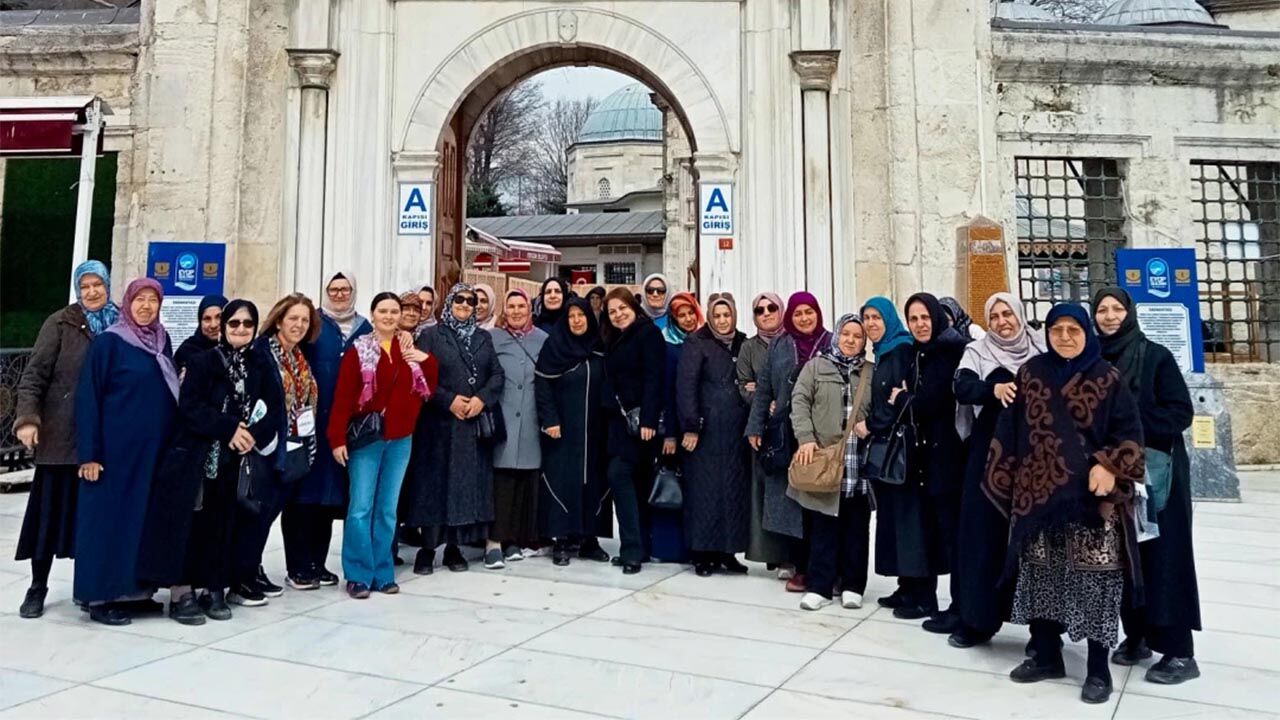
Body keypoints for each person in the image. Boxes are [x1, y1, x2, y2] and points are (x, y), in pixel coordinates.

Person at [985, 302, 1145, 705]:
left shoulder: (1107, 378)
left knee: (1095, 584)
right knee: (1041, 578)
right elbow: (1011, 431)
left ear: (1086, 332)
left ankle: (1097, 668)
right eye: (1057, 329)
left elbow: (1130, 437)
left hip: (1091, 504)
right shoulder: (1031, 373)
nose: (1065, 337)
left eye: (1074, 329)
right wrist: (1008, 481)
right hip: (1037, 500)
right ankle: (1046, 655)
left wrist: (1109, 466)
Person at [138, 300, 283, 624]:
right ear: (224, 327)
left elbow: (274, 409)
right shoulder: (203, 361)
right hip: (198, 459)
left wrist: (250, 435)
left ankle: (214, 587)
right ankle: (181, 592)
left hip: (237, 461)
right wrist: (228, 428)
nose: (241, 330)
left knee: (223, 524)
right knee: (190, 524)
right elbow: (190, 407)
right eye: (234, 324)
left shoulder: (261, 363)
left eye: (247, 324)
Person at [1094, 287, 1201, 685]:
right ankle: (1137, 635)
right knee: (1125, 557)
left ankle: (1179, 651)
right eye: (1102, 309)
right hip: (1116, 476)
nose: (1108, 316)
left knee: (1164, 558)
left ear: (1130, 312)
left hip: (1158, 477)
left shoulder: (1155, 355)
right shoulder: (1096, 359)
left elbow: (1180, 413)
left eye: (1116, 308)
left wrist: (1131, 422)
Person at [12, 260, 119, 619]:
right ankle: (37, 586)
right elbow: (34, 375)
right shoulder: (60, 322)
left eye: (97, 285)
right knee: (47, 520)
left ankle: (89, 588)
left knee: (90, 521)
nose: (92, 292)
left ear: (107, 285)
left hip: (101, 442)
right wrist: (28, 420)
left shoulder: (120, 323)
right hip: (62, 440)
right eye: (85, 286)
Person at [73, 278, 179, 625]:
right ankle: (100, 596)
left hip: (151, 454)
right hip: (113, 455)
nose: (146, 306)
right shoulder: (110, 343)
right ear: (128, 303)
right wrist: (89, 454)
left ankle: (134, 591)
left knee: (141, 521)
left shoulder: (162, 342)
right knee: (107, 523)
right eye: (140, 300)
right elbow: (89, 398)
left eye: (153, 300)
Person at [947, 292, 1046, 648]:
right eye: (995, 316)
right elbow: (962, 386)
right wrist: (994, 388)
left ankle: (1043, 633)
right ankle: (978, 621)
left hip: (1037, 459)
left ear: (1020, 314)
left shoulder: (1042, 348)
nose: (1003, 321)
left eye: (1008, 314)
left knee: (1038, 543)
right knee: (982, 539)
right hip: (989, 460)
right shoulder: (978, 351)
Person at [328, 292, 437, 598]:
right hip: (368, 439)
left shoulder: (408, 349)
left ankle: (382, 571)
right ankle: (359, 574)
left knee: (387, 509)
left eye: (394, 311)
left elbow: (429, 383)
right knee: (361, 507)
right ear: (373, 315)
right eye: (383, 311)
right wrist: (336, 438)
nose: (389, 316)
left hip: (401, 439)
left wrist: (423, 358)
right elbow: (344, 396)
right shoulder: (359, 350)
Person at [278, 273, 371, 595]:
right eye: (334, 289)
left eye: (345, 289)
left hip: (347, 428)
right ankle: (298, 565)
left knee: (331, 500)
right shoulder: (313, 324)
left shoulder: (365, 327)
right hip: (309, 426)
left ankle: (318, 562)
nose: (340, 294)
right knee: (303, 495)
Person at [879, 293, 968, 623]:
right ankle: (923, 596)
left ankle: (957, 608)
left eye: (925, 318)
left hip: (948, 458)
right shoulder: (920, 353)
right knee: (928, 529)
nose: (919, 324)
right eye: (913, 319)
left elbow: (930, 401)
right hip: (925, 457)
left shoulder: (951, 353)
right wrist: (909, 399)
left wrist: (903, 397)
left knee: (952, 537)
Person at [405, 283, 505, 573]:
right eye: (458, 299)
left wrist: (480, 400)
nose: (464, 304)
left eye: (470, 301)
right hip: (438, 425)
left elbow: (497, 375)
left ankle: (453, 548)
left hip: (470, 427)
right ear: (448, 302)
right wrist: (448, 401)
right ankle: (427, 549)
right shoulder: (431, 336)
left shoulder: (483, 338)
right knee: (433, 489)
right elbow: (419, 377)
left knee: (463, 489)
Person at [745, 292, 831, 591]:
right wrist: (755, 427)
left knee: (821, 502)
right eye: (798, 314)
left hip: (823, 436)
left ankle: (827, 569)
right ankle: (800, 566)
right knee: (793, 502)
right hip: (787, 434)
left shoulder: (831, 343)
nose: (804, 318)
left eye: (809, 312)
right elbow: (765, 388)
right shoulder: (781, 345)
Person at [791, 313, 876, 611]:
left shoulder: (870, 372)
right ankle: (820, 586)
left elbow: (879, 411)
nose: (851, 340)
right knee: (823, 526)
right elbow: (799, 402)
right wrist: (805, 438)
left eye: (858, 336)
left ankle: (853, 585)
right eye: (846, 334)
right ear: (837, 336)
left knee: (856, 526)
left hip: (858, 462)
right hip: (826, 460)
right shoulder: (816, 367)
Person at [676, 292, 751, 576]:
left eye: (727, 315)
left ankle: (727, 551)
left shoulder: (743, 342)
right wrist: (691, 426)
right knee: (704, 492)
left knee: (732, 491)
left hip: (735, 432)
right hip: (706, 433)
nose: (722, 321)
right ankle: (702, 553)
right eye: (717, 315)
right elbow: (686, 387)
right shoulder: (697, 343)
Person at [535, 296, 613, 566]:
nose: (577, 321)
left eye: (581, 315)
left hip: (596, 429)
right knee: (562, 481)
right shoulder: (554, 348)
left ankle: (589, 539)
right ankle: (562, 539)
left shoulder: (600, 347)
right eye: (571, 316)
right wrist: (550, 420)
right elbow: (543, 387)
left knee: (593, 481)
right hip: (562, 429)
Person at [257, 294, 323, 590]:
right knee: (259, 513)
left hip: (295, 446)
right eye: (293, 318)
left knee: (274, 511)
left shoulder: (298, 355)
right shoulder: (262, 352)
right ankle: (247, 571)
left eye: (304, 320)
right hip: (268, 447)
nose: (298, 325)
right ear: (279, 320)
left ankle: (253, 569)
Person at [601, 288, 666, 574]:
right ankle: (640, 546)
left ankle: (631, 551)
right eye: (612, 311)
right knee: (634, 484)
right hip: (620, 423)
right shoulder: (616, 338)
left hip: (642, 423)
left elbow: (656, 377)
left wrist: (650, 420)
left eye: (621, 308)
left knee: (621, 475)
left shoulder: (647, 333)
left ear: (633, 306)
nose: (618, 315)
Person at [860, 296, 917, 610]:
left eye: (876, 318)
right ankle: (905, 586)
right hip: (887, 448)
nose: (870, 324)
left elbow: (894, 403)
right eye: (867, 318)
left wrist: (869, 424)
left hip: (899, 448)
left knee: (906, 520)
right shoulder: (883, 353)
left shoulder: (899, 350)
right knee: (893, 518)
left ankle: (916, 591)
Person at [487, 289, 549, 568]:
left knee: (525, 481)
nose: (515, 311)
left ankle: (513, 539)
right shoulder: (493, 337)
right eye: (510, 306)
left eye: (520, 306)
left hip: (532, 419)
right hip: (503, 416)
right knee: (501, 480)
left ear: (529, 309)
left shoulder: (543, 339)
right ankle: (493, 542)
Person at [736, 292, 791, 569]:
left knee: (789, 492)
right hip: (762, 428)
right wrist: (763, 401)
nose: (766, 313)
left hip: (791, 427)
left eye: (772, 308)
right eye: (760, 310)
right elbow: (743, 384)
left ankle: (792, 555)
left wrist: (773, 398)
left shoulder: (792, 342)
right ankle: (771, 554)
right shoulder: (749, 347)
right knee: (764, 493)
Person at [654, 292, 703, 563]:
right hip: (676, 429)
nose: (686, 319)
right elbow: (669, 392)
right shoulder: (668, 346)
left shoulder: (702, 342)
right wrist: (671, 432)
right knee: (671, 487)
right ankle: (669, 548)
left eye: (689, 314)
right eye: (680, 315)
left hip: (699, 427)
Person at [173, 294, 228, 372]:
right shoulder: (187, 350)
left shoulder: (239, 348)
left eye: (219, 317)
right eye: (207, 319)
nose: (213, 325)